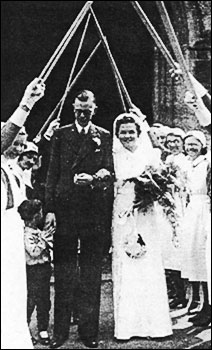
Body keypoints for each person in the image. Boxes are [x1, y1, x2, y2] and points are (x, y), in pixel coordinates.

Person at [44, 90, 114, 349]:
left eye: (87, 111)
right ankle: (59, 331)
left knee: (91, 272)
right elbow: (51, 173)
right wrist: (49, 209)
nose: (82, 115)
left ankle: (89, 331)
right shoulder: (61, 135)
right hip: (65, 211)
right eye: (78, 111)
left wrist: (95, 178)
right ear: (73, 109)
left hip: (93, 212)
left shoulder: (104, 136)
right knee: (63, 272)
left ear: (94, 110)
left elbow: (110, 170)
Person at [112, 112, 173, 340]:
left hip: (146, 213)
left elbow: (160, 182)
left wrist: (149, 193)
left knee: (148, 263)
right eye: (123, 132)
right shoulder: (113, 155)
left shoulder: (149, 155)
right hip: (122, 213)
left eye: (131, 131)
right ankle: (127, 327)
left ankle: (155, 325)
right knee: (127, 262)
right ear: (117, 135)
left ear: (138, 133)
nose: (127, 135)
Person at [1, 78, 45, 349]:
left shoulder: (9, 166)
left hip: (9, 230)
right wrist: (27, 103)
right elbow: (6, 135)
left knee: (13, 289)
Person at [181, 131, 211, 326]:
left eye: (195, 144)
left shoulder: (206, 161)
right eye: (188, 144)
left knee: (206, 259)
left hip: (205, 211)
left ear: (202, 145)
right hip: (191, 211)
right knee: (195, 259)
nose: (191, 148)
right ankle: (202, 306)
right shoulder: (186, 164)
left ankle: (209, 308)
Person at [18, 199, 54, 346]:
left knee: (44, 300)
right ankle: (25, 328)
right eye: (39, 213)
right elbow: (34, 252)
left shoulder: (38, 231)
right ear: (34, 217)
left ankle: (43, 328)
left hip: (43, 268)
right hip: (33, 270)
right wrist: (44, 240)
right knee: (31, 300)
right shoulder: (26, 234)